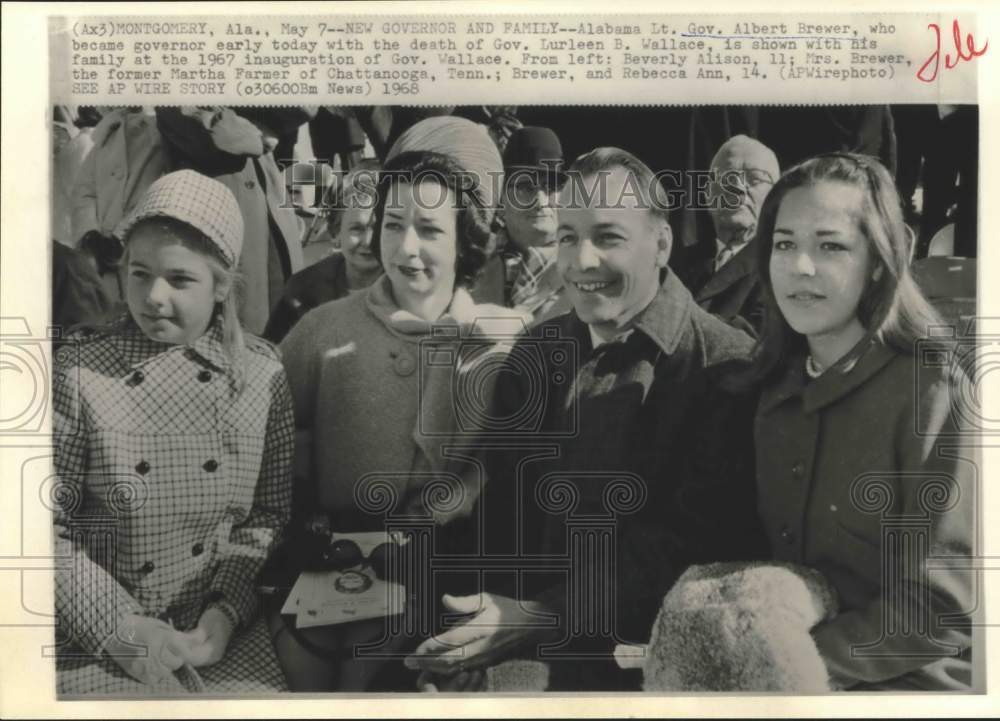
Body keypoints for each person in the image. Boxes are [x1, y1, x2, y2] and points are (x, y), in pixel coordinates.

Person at [405, 148, 768, 691]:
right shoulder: (537, 352)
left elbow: (688, 550)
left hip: (641, 658)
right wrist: (460, 632)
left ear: (662, 243)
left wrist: (539, 617)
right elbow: (500, 516)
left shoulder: (725, 369)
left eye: (608, 237)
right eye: (568, 237)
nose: (582, 261)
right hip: (511, 630)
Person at [272, 150, 530, 691]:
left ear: (465, 242)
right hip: (330, 564)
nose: (406, 247)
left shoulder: (507, 340)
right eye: (392, 225)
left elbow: (519, 468)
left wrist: (469, 487)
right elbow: (273, 444)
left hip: (447, 577)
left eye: (429, 229)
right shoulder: (322, 330)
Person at [52, 170, 294, 694]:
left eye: (180, 280)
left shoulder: (262, 374)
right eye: (139, 274)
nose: (154, 297)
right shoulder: (79, 372)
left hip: (218, 639)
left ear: (222, 285)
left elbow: (267, 515)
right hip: (100, 639)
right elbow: (44, 530)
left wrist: (226, 611)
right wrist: (118, 627)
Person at [747, 153, 975, 690]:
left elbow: (943, 608)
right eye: (784, 244)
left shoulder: (933, 392)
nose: (801, 266)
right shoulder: (770, 391)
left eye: (831, 246)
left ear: (877, 262)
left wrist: (793, 664)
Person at [156, 106, 305, 335]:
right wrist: (259, 127)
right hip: (223, 218)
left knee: (287, 318)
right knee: (238, 322)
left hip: (270, 210)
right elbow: (227, 139)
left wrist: (249, 121)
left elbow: (304, 107)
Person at [263, 159, 382, 343]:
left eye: (378, 228)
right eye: (357, 229)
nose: (368, 241)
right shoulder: (303, 291)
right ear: (336, 231)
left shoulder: (405, 287)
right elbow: (274, 347)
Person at [677, 135, 779, 334]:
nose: (737, 188)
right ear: (708, 194)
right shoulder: (675, 263)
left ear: (775, 198)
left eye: (755, 179)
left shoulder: (778, 265)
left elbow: (755, 340)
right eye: (727, 178)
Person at [496, 126, 572, 325]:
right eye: (525, 187)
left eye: (551, 187)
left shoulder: (583, 268)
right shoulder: (471, 265)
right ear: (501, 201)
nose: (540, 201)